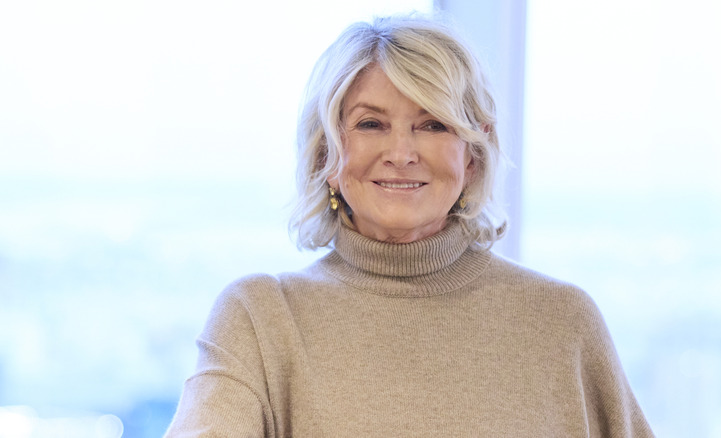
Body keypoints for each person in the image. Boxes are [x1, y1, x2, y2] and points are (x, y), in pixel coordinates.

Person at [165, 14, 655, 437]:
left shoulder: (562, 323)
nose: (401, 154)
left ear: (473, 158)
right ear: (325, 156)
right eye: (370, 124)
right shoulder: (259, 319)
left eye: (434, 124)